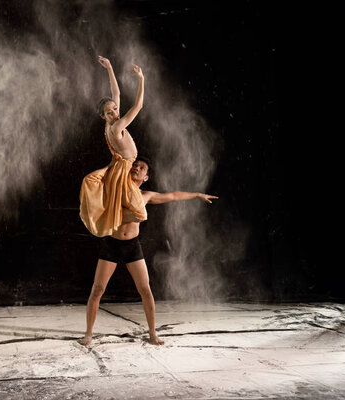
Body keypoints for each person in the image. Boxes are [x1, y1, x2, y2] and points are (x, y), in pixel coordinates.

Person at [79, 157, 219, 346]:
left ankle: (153, 334)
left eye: (142, 168)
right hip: (111, 244)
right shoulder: (116, 190)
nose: (137, 168)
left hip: (132, 246)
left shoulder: (146, 196)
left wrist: (196, 195)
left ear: (146, 177)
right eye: (135, 166)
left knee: (145, 289)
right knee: (98, 289)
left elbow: (172, 195)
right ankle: (88, 334)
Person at [79, 56, 147, 237]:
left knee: (130, 207)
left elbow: (115, 94)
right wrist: (141, 79)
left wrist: (109, 68)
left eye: (115, 109)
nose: (115, 113)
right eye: (110, 113)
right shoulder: (116, 126)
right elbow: (138, 106)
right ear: (103, 117)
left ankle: (113, 217)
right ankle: (112, 219)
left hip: (121, 164)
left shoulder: (112, 122)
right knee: (139, 212)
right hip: (123, 168)